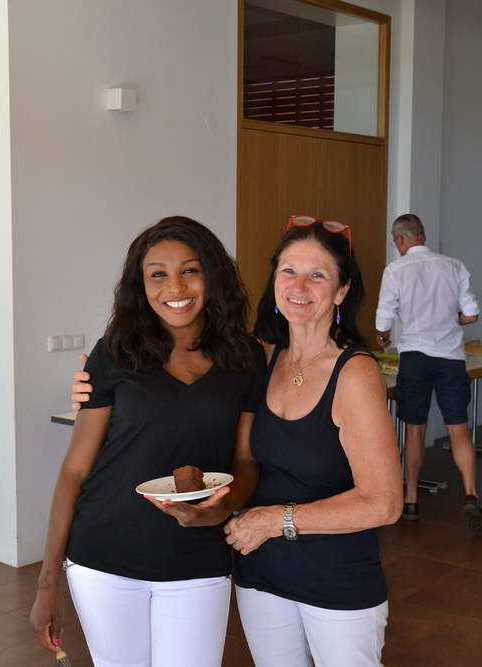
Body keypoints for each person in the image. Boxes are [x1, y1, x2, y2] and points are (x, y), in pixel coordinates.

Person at [73, 217, 402, 666]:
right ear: (274, 281)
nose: (299, 286)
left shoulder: (355, 372)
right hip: (260, 574)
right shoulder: (258, 357)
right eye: (289, 271)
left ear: (342, 290)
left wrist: (274, 521)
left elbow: (384, 504)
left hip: (335, 576)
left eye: (317, 275)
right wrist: (94, 382)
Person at [30, 216, 265, 667]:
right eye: (158, 274)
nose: (175, 287)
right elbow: (75, 470)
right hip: (104, 556)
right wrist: (47, 584)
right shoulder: (114, 353)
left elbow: (246, 460)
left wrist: (222, 508)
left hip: (198, 557)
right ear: (141, 284)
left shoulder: (244, 357)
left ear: (213, 275)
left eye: (190, 270)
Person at [374, 213, 482, 534]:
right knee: (459, 429)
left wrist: (382, 337)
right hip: (450, 357)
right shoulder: (454, 265)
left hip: (415, 357)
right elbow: (471, 315)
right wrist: (450, 320)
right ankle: (471, 494)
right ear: (422, 235)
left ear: (401, 240)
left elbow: (384, 318)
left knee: (415, 430)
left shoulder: (396, 269)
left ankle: (411, 500)